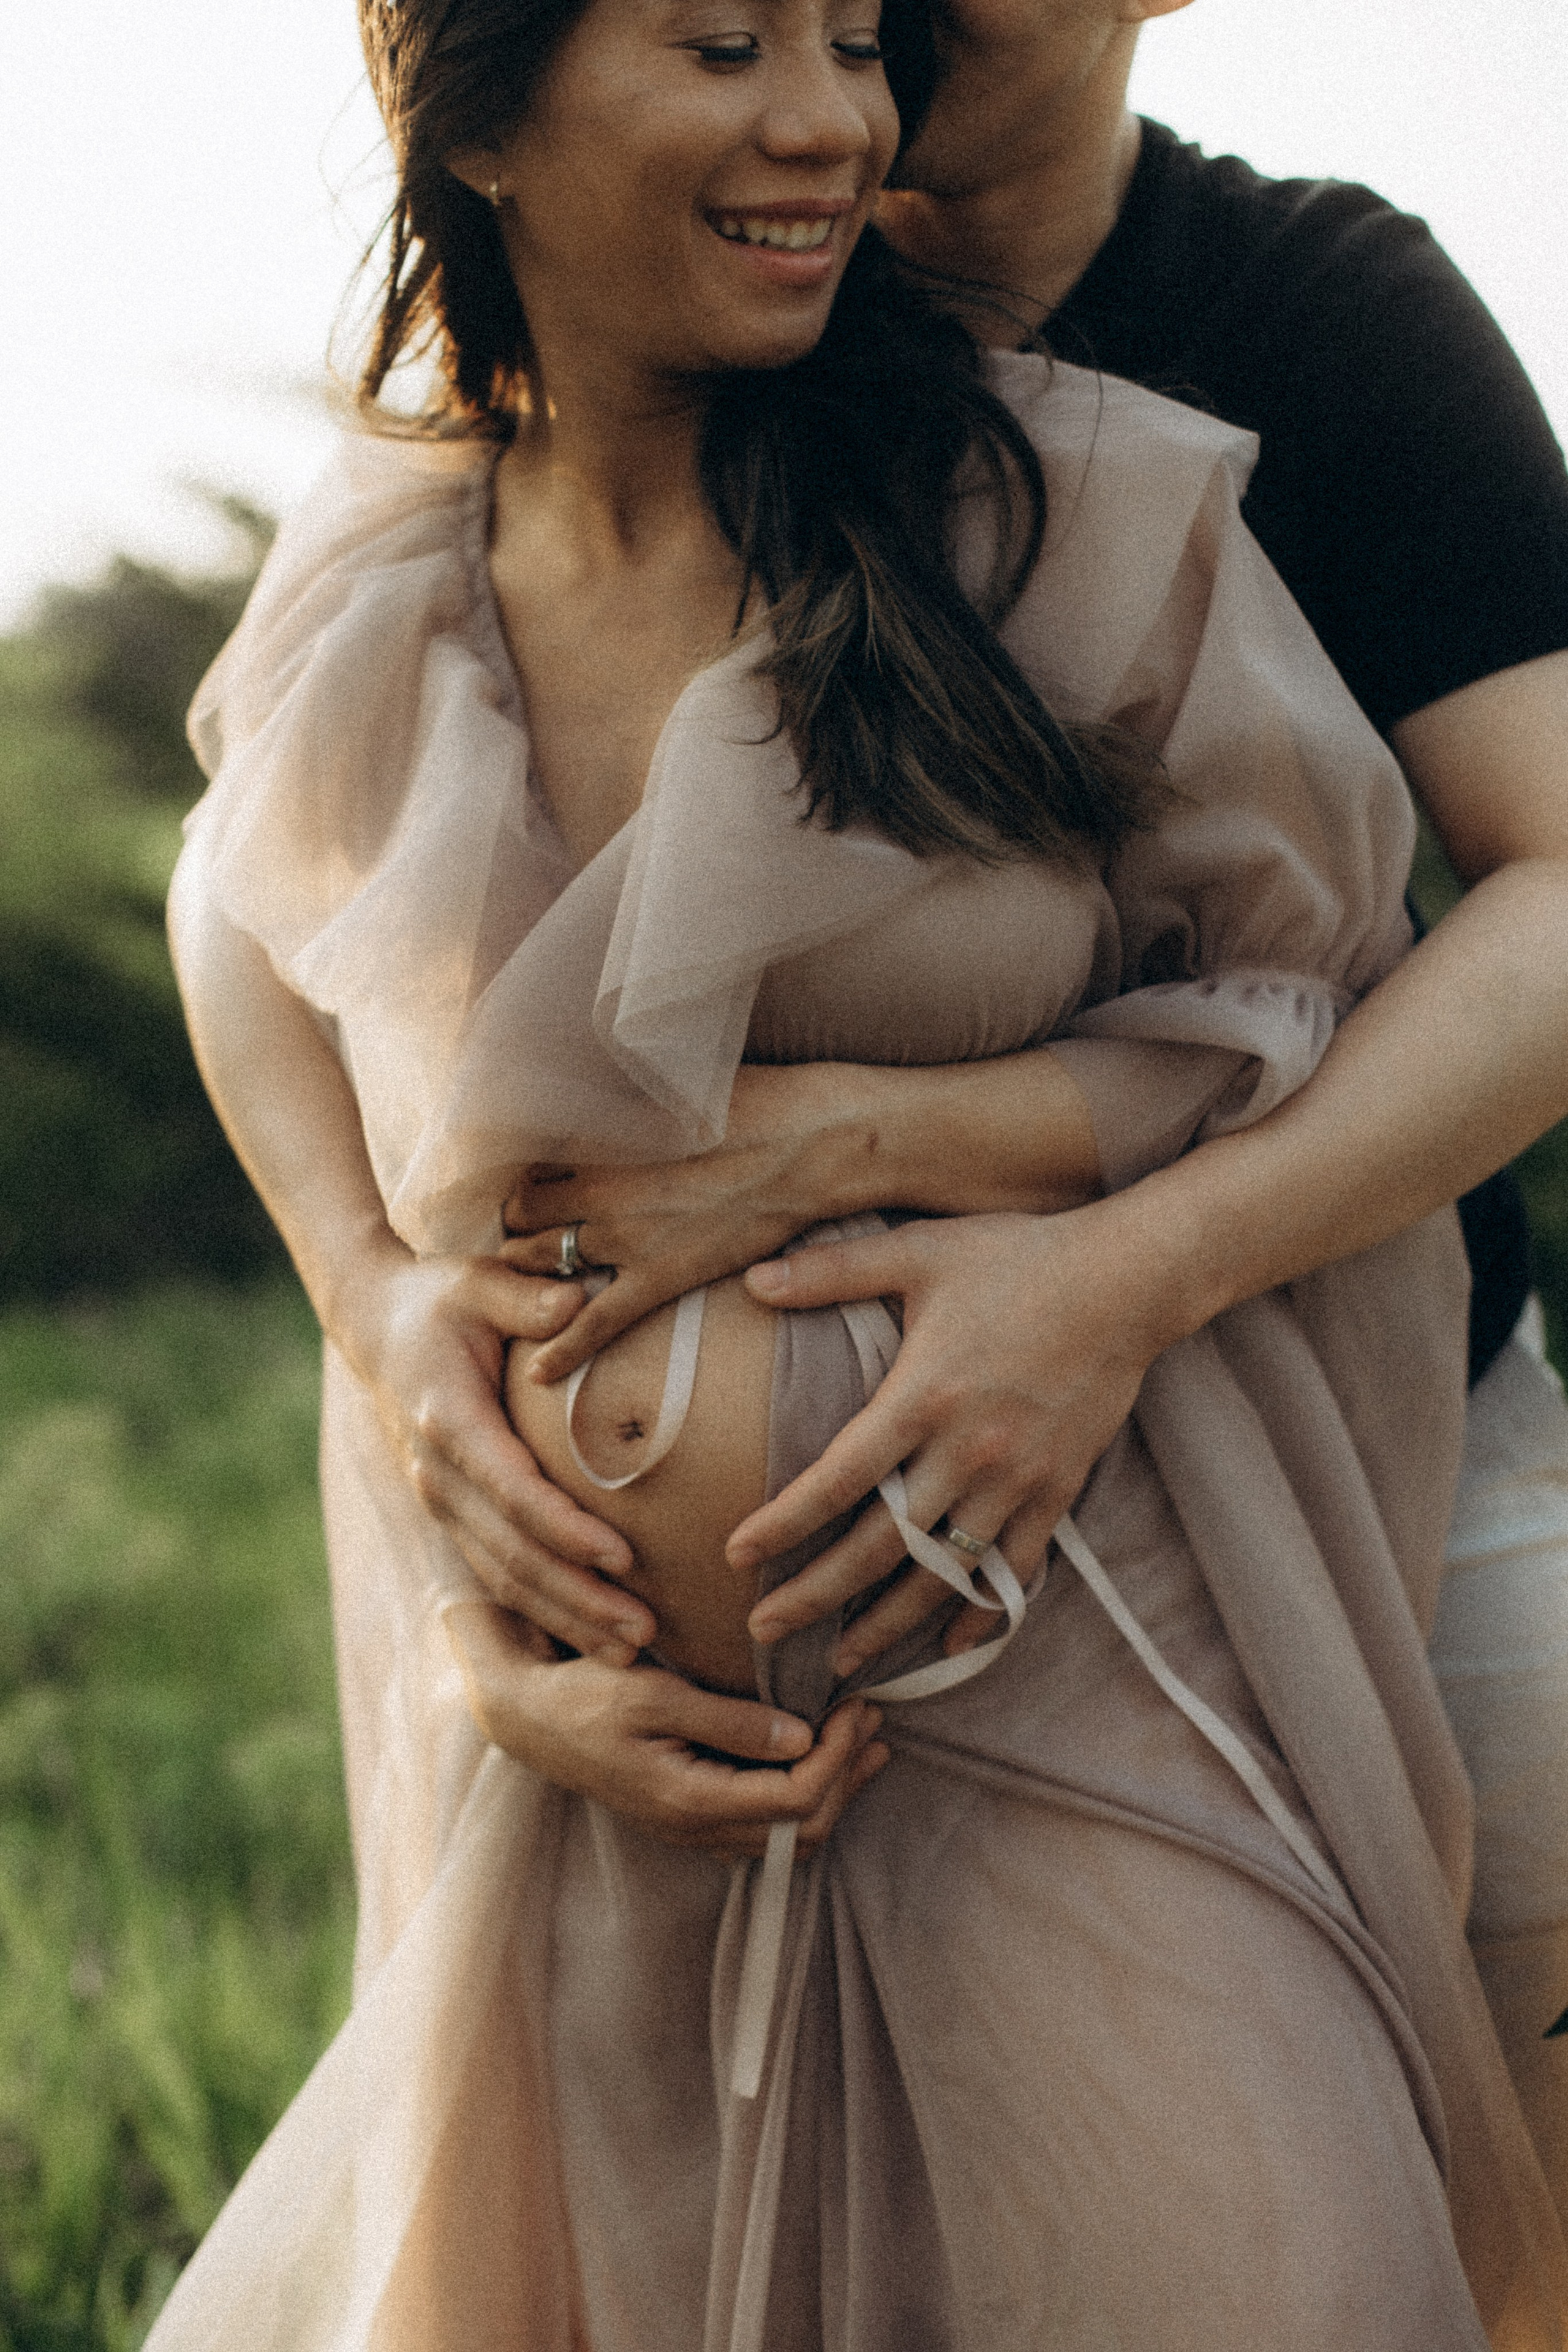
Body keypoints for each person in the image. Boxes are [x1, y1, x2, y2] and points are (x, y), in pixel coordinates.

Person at [147, 0, 1568, 2342]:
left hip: (1243, 1510)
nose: (841, 94)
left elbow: (1352, 969)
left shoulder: (1211, 374)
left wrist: (1047, 1237)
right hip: (654, 1796)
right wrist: (384, 1321)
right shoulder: (443, 522)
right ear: (480, 120)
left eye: (857, 38)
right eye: (749, 35)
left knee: (1464, 2210)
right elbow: (255, 904)